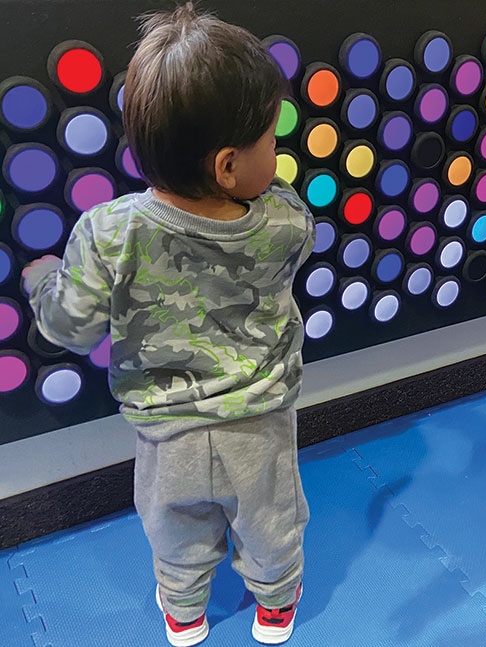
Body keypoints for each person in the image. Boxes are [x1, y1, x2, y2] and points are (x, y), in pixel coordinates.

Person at [22, 4, 314, 645]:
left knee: (172, 528)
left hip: (164, 433)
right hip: (259, 426)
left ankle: (184, 616)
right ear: (228, 166)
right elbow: (288, 235)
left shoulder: (108, 230)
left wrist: (41, 279)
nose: (279, 152)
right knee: (273, 523)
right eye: (272, 139)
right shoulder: (286, 219)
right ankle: (275, 610)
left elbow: (71, 327)